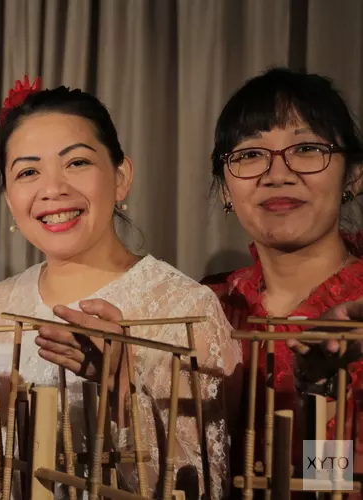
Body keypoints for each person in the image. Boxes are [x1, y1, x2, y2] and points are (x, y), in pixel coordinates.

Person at [0, 80, 241, 499]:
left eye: (76, 163)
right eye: (28, 172)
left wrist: (125, 391)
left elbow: (205, 487)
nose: (52, 188)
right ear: (9, 200)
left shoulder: (186, 307)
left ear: (121, 177)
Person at [199, 67, 363, 489]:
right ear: (224, 190)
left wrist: (323, 392)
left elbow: (329, 486)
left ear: (354, 175)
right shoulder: (206, 306)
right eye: (250, 154)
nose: (277, 174)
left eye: (306, 148)